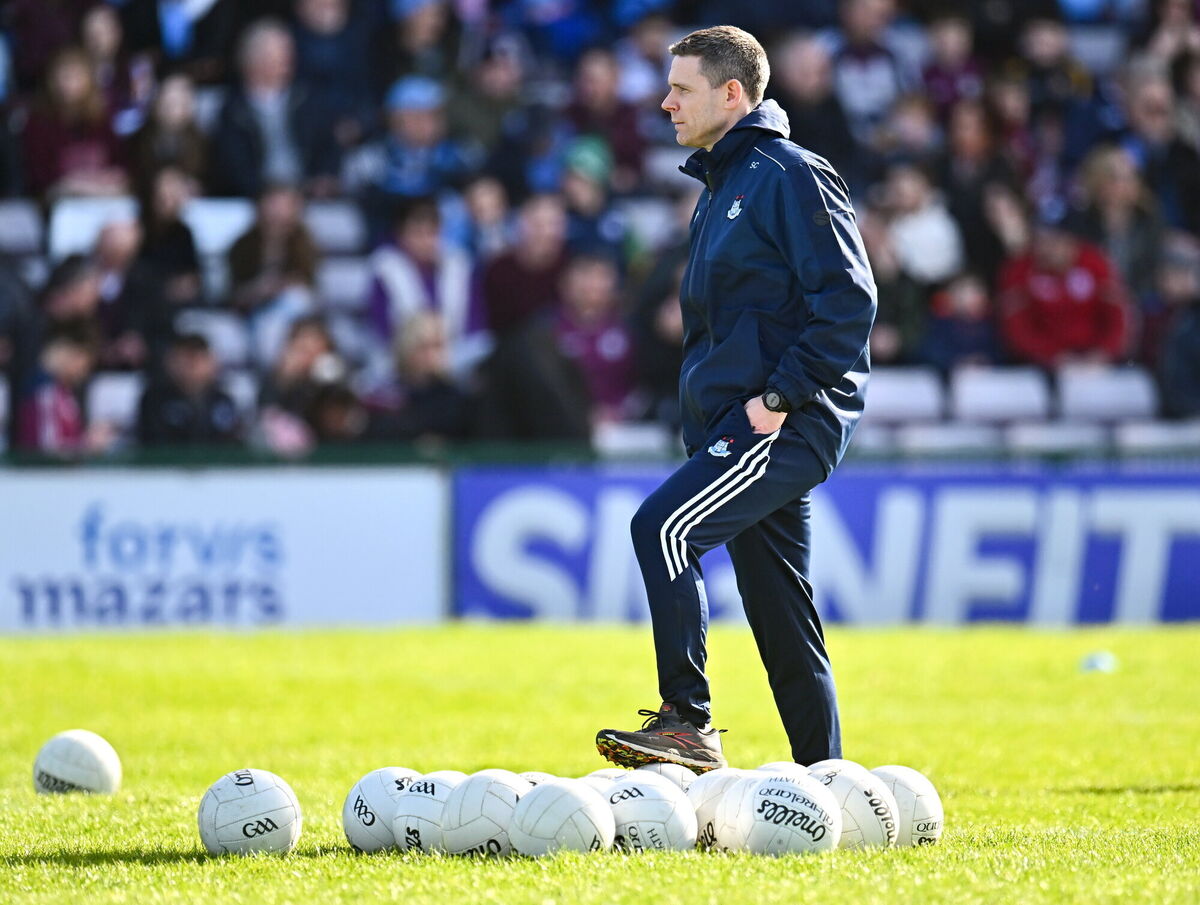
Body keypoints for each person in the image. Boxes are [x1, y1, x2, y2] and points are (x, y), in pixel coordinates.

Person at [595, 26, 876, 772]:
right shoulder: (724, 184)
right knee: (783, 617)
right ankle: (831, 781)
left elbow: (850, 301)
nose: (664, 103)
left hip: (779, 420)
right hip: (739, 420)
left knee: (661, 527)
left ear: (731, 94)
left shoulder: (788, 174)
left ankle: (687, 721)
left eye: (680, 89)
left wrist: (780, 396)